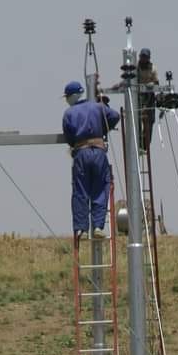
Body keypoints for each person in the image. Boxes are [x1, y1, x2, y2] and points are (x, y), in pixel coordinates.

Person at [62, 80, 120, 240]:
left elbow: (68, 136)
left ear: (72, 96)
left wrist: (75, 143)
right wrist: (102, 129)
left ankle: (82, 229)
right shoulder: (98, 106)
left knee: (81, 191)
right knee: (100, 189)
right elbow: (115, 116)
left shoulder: (69, 113)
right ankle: (98, 226)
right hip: (99, 152)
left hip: (81, 152)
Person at [136, 48, 159, 153]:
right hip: (138, 95)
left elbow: (156, 83)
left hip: (149, 96)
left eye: (145, 57)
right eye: (142, 57)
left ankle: (145, 145)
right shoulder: (135, 68)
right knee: (136, 120)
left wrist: (151, 85)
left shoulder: (152, 68)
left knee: (150, 121)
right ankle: (137, 143)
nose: (143, 59)